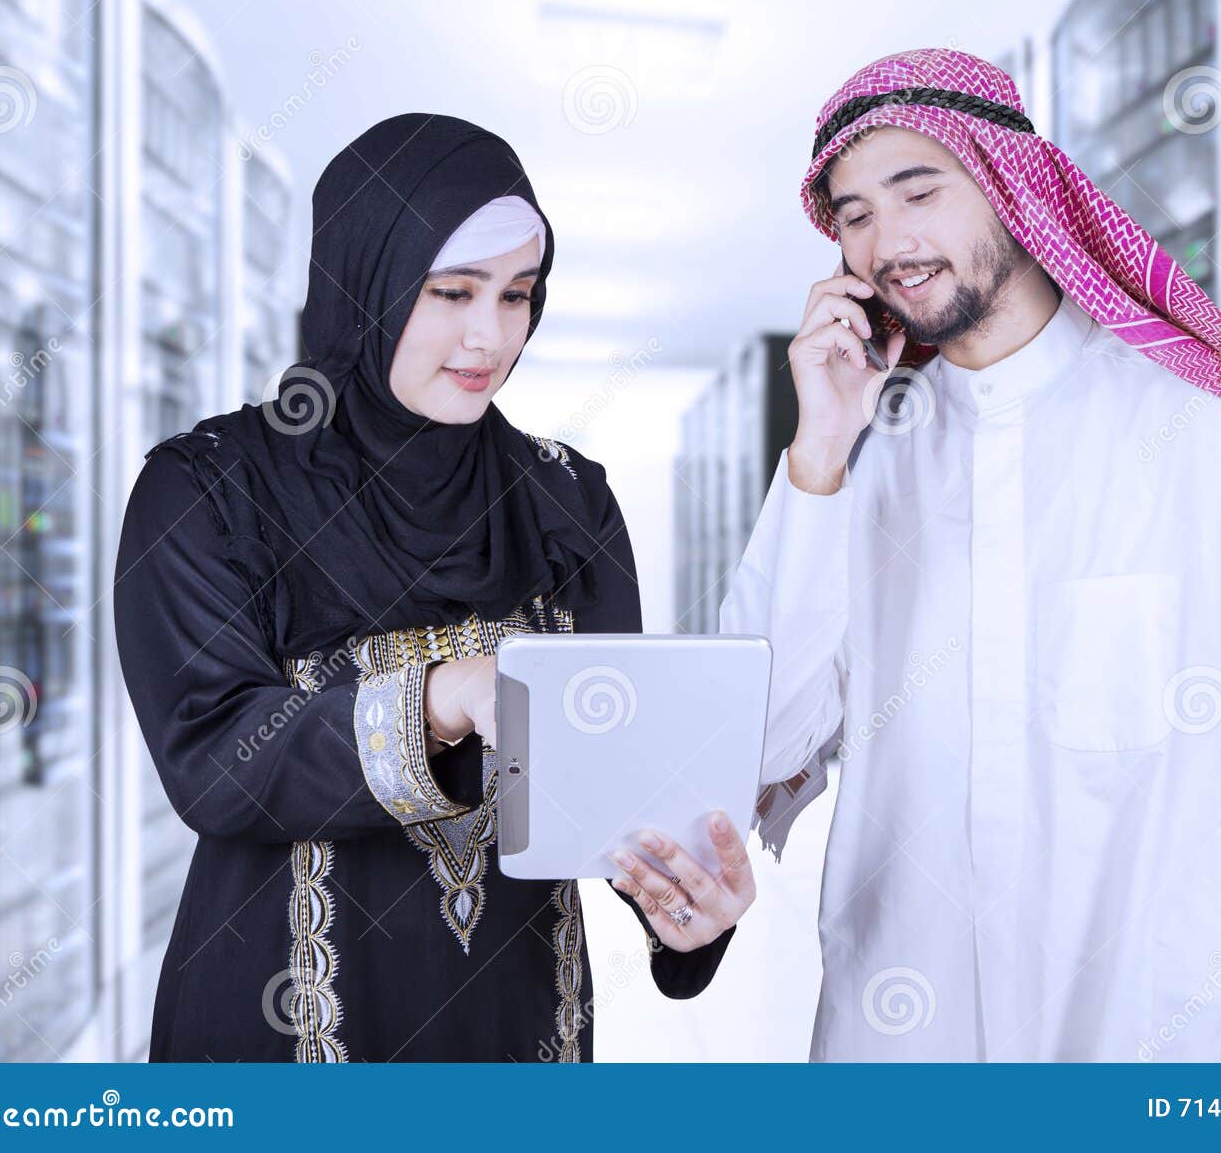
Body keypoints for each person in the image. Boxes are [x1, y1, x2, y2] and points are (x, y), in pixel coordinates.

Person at [719, 49, 1221, 1061]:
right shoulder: (855, 453)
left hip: (1136, 1039)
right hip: (897, 1034)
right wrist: (816, 454)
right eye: (852, 214)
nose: (889, 240)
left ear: (1010, 182)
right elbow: (752, 743)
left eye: (918, 189)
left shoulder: (1203, 418)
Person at [114, 114, 753, 1062]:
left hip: (520, 1018)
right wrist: (442, 697)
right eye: (450, 291)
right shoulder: (209, 488)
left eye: (518, 294)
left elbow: (610, 782)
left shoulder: (567, 499)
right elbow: (213, 755)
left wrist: (684, 913)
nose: (488, 334)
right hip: (277, 1021)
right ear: (361, 278)